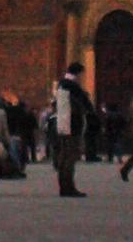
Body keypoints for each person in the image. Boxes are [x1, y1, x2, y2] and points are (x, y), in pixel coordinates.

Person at [47, 66, 89, 197]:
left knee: (65, 156)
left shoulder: (62, 85)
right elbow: (83, 105)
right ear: (78, 74)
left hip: (63, 124)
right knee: (70, 156)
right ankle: (68, 187)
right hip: (72, 125)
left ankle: (65, 186)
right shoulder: (72, 87)